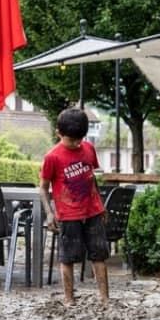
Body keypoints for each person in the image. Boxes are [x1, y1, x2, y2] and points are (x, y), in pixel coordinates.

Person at [39, 107, 109, 303]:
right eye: (72, 140)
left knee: (99, 255)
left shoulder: (88, 149)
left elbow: (91, 177)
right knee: (68, 258)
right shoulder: (52, 157)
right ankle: (69, 300)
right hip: (68, 215)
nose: (77, 143)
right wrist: (49, 213)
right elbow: (43, 188)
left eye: (80, 138)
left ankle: (104, 299)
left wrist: (101, 205)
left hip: (93, 211)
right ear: (58, 133)